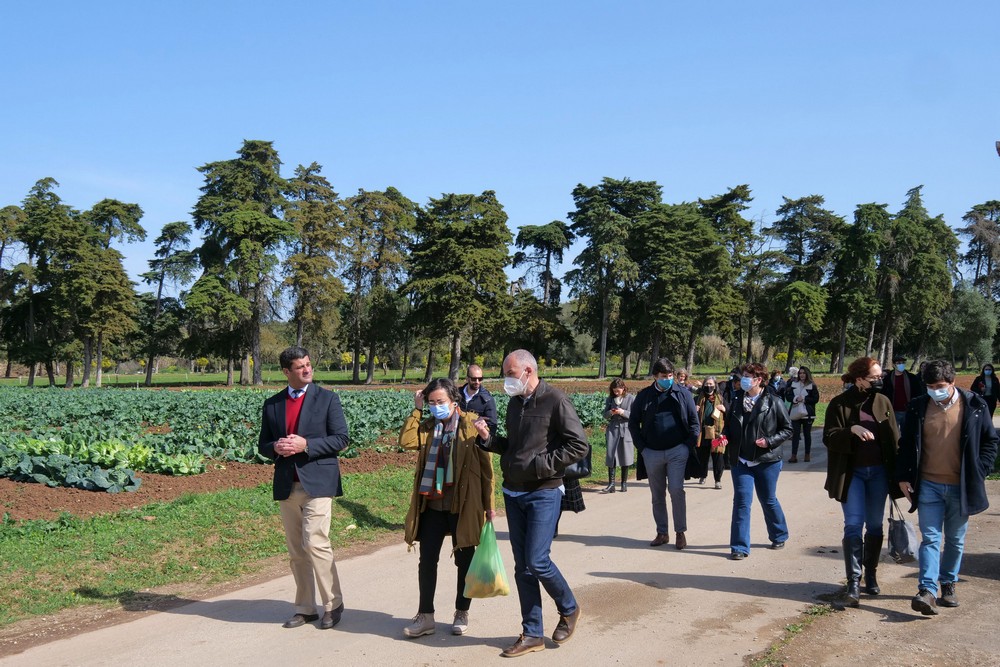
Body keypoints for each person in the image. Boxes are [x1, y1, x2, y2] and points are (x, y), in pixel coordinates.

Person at [474, 349, 588, 657]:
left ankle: (569, 607)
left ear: (528, 371)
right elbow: (514, 448)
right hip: (513, 493)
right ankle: (532, 633)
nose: (506, 380)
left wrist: (541, 465)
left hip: (543, 492)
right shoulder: (514, 403)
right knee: (523, 568)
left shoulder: (556, 400)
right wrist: (487, 439)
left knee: (537, 561)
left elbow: (578, 445)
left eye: (510, 374)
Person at [896, 360, 998, 615]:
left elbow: (990, 441)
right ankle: (927, 590)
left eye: (940, 386)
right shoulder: (918, 406)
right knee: (930, 539)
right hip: (928, 485)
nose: (935, 391)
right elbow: (907, 444)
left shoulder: (975, 405)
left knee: (954, 539)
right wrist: (903, 476)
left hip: (960, 486)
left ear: (952, 382)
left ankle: (948, 583)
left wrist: (980, 470)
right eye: (930, 386)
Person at [258, 346, 349, 630]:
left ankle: (333, 604)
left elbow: (341, 439)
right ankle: (306, 608)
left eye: (308, 364)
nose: (307, 369)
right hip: (287, 484)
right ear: (286, 372)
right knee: (297, 550)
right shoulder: (272, 404)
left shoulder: (327, 398)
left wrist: (306, 445)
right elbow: (263, 444)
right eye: (300, 367)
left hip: (319, 482)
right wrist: (275, 447)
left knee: (315, 542)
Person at [399, 378, 495, 638]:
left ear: (454, 401)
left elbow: (487, 470)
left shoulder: (471, 425)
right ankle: (425, 616)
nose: (436, 407)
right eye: (431, 402)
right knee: (427, 560)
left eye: (440, 401)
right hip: (432, 503)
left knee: (465, 560)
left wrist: (489, 506)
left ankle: (461, 611)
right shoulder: (428, 426)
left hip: (463, 504)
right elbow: (406, 441)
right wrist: (417, 410)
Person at [823, 357, 901, 607]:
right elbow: (829, 437)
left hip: (879, 473)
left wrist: (901, 477)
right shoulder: (839, 404)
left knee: (875, 525)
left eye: (881, 376)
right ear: (859, 379)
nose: (880, 380)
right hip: (852, 474)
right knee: (854, 524)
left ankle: (871, 573)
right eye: (874, 377)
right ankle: (853, 582)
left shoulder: (883, 401)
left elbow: (895, 440)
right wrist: (851, 431)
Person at [628, 358, 700, 550]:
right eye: (663, 376)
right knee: (657, 494)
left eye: (670, 376)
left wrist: (687, 446)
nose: (667, 379)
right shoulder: (644, 396)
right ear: (655, 376)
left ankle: (680, 533)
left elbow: (694, 423)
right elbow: (633, 423)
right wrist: (642, 448)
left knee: (676, 490)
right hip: (652, 452)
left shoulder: (683, 394)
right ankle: (662, 532)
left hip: (678, 451)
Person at [724, 362, 792, 560]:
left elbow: (788, 429)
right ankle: (739, 547)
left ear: (758, 380)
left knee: (768, 499)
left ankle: (779, 534)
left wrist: (769, 441)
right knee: (741, 502)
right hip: (741, 461)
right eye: (743, 376)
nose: (743, 380)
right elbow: (729, 425)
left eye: (747, 376)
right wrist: (724, 435)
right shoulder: (736, 400)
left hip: (767, 461)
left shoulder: (774, 401)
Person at [601, 378, 635, 493]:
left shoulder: (631, 398)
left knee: (625, 455)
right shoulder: (610, 399)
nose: (616, 393)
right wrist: (611, 412)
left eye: (618, 391)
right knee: (611, 456)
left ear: (623, 388)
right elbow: (604, 415)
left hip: (626, 429)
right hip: (613, 429)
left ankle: (624, 483)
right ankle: (611, 484)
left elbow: (635, 415)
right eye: (614, 390)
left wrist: (622, 412)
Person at [694, 377, 727, 490]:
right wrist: (694, 410)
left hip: (717, 433)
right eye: (707, 384)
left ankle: (718, 480)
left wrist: (725, 409)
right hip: (702, 432)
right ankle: (702, 475)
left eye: (711, 384)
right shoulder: (698, 398)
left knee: (718, 456)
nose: (709, 386)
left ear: (715, 385)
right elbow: (689, 414)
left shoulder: (721, 398)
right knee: (702, 456)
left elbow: (730, 413)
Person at [879, 353, 925, 430]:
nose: (901, 365)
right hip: (893, 411)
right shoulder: (888, 379)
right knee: (893, 431)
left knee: (907, 432)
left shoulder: (911, 378)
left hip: (908, 410)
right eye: (898, 363)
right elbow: (883, 394)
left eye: (903, 363)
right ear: (894, 365)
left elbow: (918, 393)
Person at [785, 366, 820, 463]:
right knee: (795, 434)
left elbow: (815, 399)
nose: (802, 375)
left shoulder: (812, 385)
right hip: (795, 412)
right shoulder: (793, 384)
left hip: (808, 413)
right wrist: (796, 398)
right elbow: (788, 396)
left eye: (804, 373)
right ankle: (793, 455)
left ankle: (807, 454)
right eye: (800, 373)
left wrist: (804, 399)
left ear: (807, 374)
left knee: (807, 434)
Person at [459, 364, 498, 433]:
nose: (477, 382)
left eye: (480, 379)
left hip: (474, 437)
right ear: (467, 379)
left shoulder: (487, 399)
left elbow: (492, 426)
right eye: (474, 379)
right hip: (456, 436)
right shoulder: (457, 394)